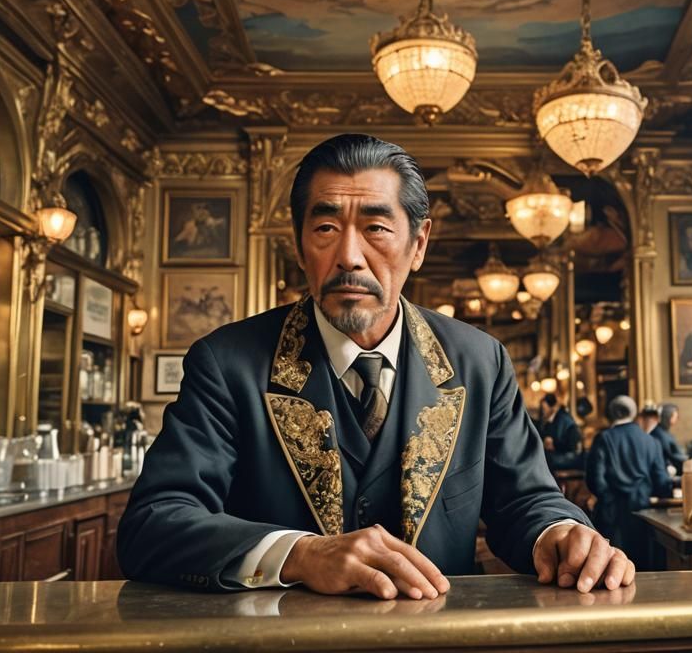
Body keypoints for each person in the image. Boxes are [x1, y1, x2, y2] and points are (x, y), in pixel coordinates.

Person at [118, 134, 633, 598]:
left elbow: (524, 500)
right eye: (325, 227)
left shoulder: (479, 361)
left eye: (376, 228)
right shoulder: (228, 362)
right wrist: (299, 554)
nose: (349, 256)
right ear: (299, 244)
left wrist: (561, 533)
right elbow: (153, 525)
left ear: (418, 244)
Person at [585, 396, 672, 556]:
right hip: (642, 513)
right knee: (641, 564)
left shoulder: (604, 438)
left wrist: (607, 498)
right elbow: (661, 483)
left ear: (611, 413)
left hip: (611, 514)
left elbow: (594, 479)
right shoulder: (651, 441)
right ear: (634, 413)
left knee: (611, 563)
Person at [538, 393, 583, 471]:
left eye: (544, 409)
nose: (542, 412)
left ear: (552, 407)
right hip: (560, 455)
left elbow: (571, 445)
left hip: (568, 457)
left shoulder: (563, 419)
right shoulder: (551, 420)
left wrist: (553, 444)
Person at [649, 403, 688, 473]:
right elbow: (672, 454)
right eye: (676, 416)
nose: (678, 418)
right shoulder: (659, 433)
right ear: (668, 416)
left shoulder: (664, 432)